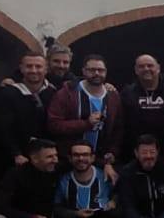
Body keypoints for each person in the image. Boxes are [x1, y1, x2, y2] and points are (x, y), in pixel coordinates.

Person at [47, 54, 122, 182]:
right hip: (69, 160)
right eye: (92, 70)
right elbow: (53, 124)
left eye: (101, 70)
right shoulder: (67, 93)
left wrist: (113, 152)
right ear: (83, 71)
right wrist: (85, 124)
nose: (97, 73)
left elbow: (119, 128)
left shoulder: (113, 95)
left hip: (100, 160)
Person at [0, 51, 57, 187]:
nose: (34, 70)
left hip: (44, 161)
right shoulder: (7, 93)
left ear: (46, 69)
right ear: (21, 68)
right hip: (12, 159)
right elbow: (2, 128)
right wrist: (16, 153)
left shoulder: (53, 93)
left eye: (38, 67)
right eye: (29, 66)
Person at [120, 54, 164, 163]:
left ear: (158, 68)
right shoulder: (127, 93)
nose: (146, 69)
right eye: (141, 66)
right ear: (136, 70)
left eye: (150, 65)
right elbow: (121, 122)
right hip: (136, 152)